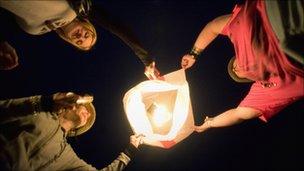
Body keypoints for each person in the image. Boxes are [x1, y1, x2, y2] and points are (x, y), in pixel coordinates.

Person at [179, 0, 304, 132]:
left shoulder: (238, 34)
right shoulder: (267, 87)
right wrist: (210, 123)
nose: (235, 68)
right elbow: (238, 114)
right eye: (235, 73)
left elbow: (212, 27)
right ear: (249, 79)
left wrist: (193, 54)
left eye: (233, 65)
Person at [0, 0, 161, 79]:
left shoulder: (38, 30)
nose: (80, 37)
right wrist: (146, 59)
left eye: (79, 42)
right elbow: (115, 26)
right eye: (86, 34)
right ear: (86, 23)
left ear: (70, 41)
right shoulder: (76, 7)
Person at [0, 92, 144, 170]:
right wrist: (47, 101)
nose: (87, 114)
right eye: (85, 109)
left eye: (88, 117)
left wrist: (129, 151)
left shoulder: (66, 154)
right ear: (70, 106)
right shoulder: (40, 113)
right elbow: (5, 109)